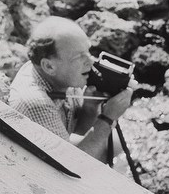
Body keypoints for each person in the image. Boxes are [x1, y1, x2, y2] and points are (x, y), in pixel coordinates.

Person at [9, 16, 133, 163]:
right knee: (105, 144)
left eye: (88, 51)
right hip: (38, 170)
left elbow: (78, 129)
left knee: (115, 144)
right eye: (79, 57)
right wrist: (108, 118)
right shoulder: (35, 103)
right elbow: (70, 167)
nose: (90, 61)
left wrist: (90, 108)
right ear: (49, 66)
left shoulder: (60, 76)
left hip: (55, 152)